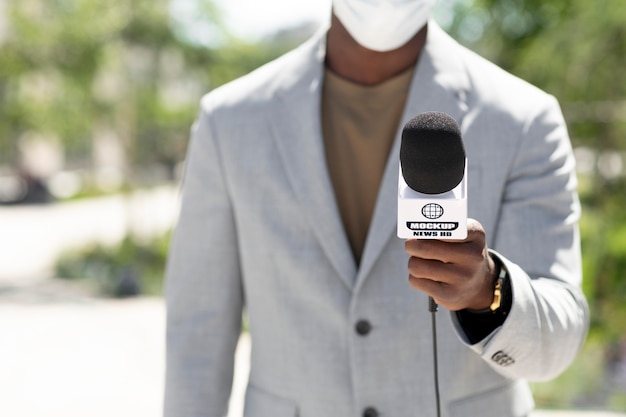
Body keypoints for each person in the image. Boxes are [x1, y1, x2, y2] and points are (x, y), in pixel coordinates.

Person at [164, 1, 589, 416]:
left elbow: (559, 342)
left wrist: (488, 290)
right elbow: (196, 339)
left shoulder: (524, 118)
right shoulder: (228, 122)